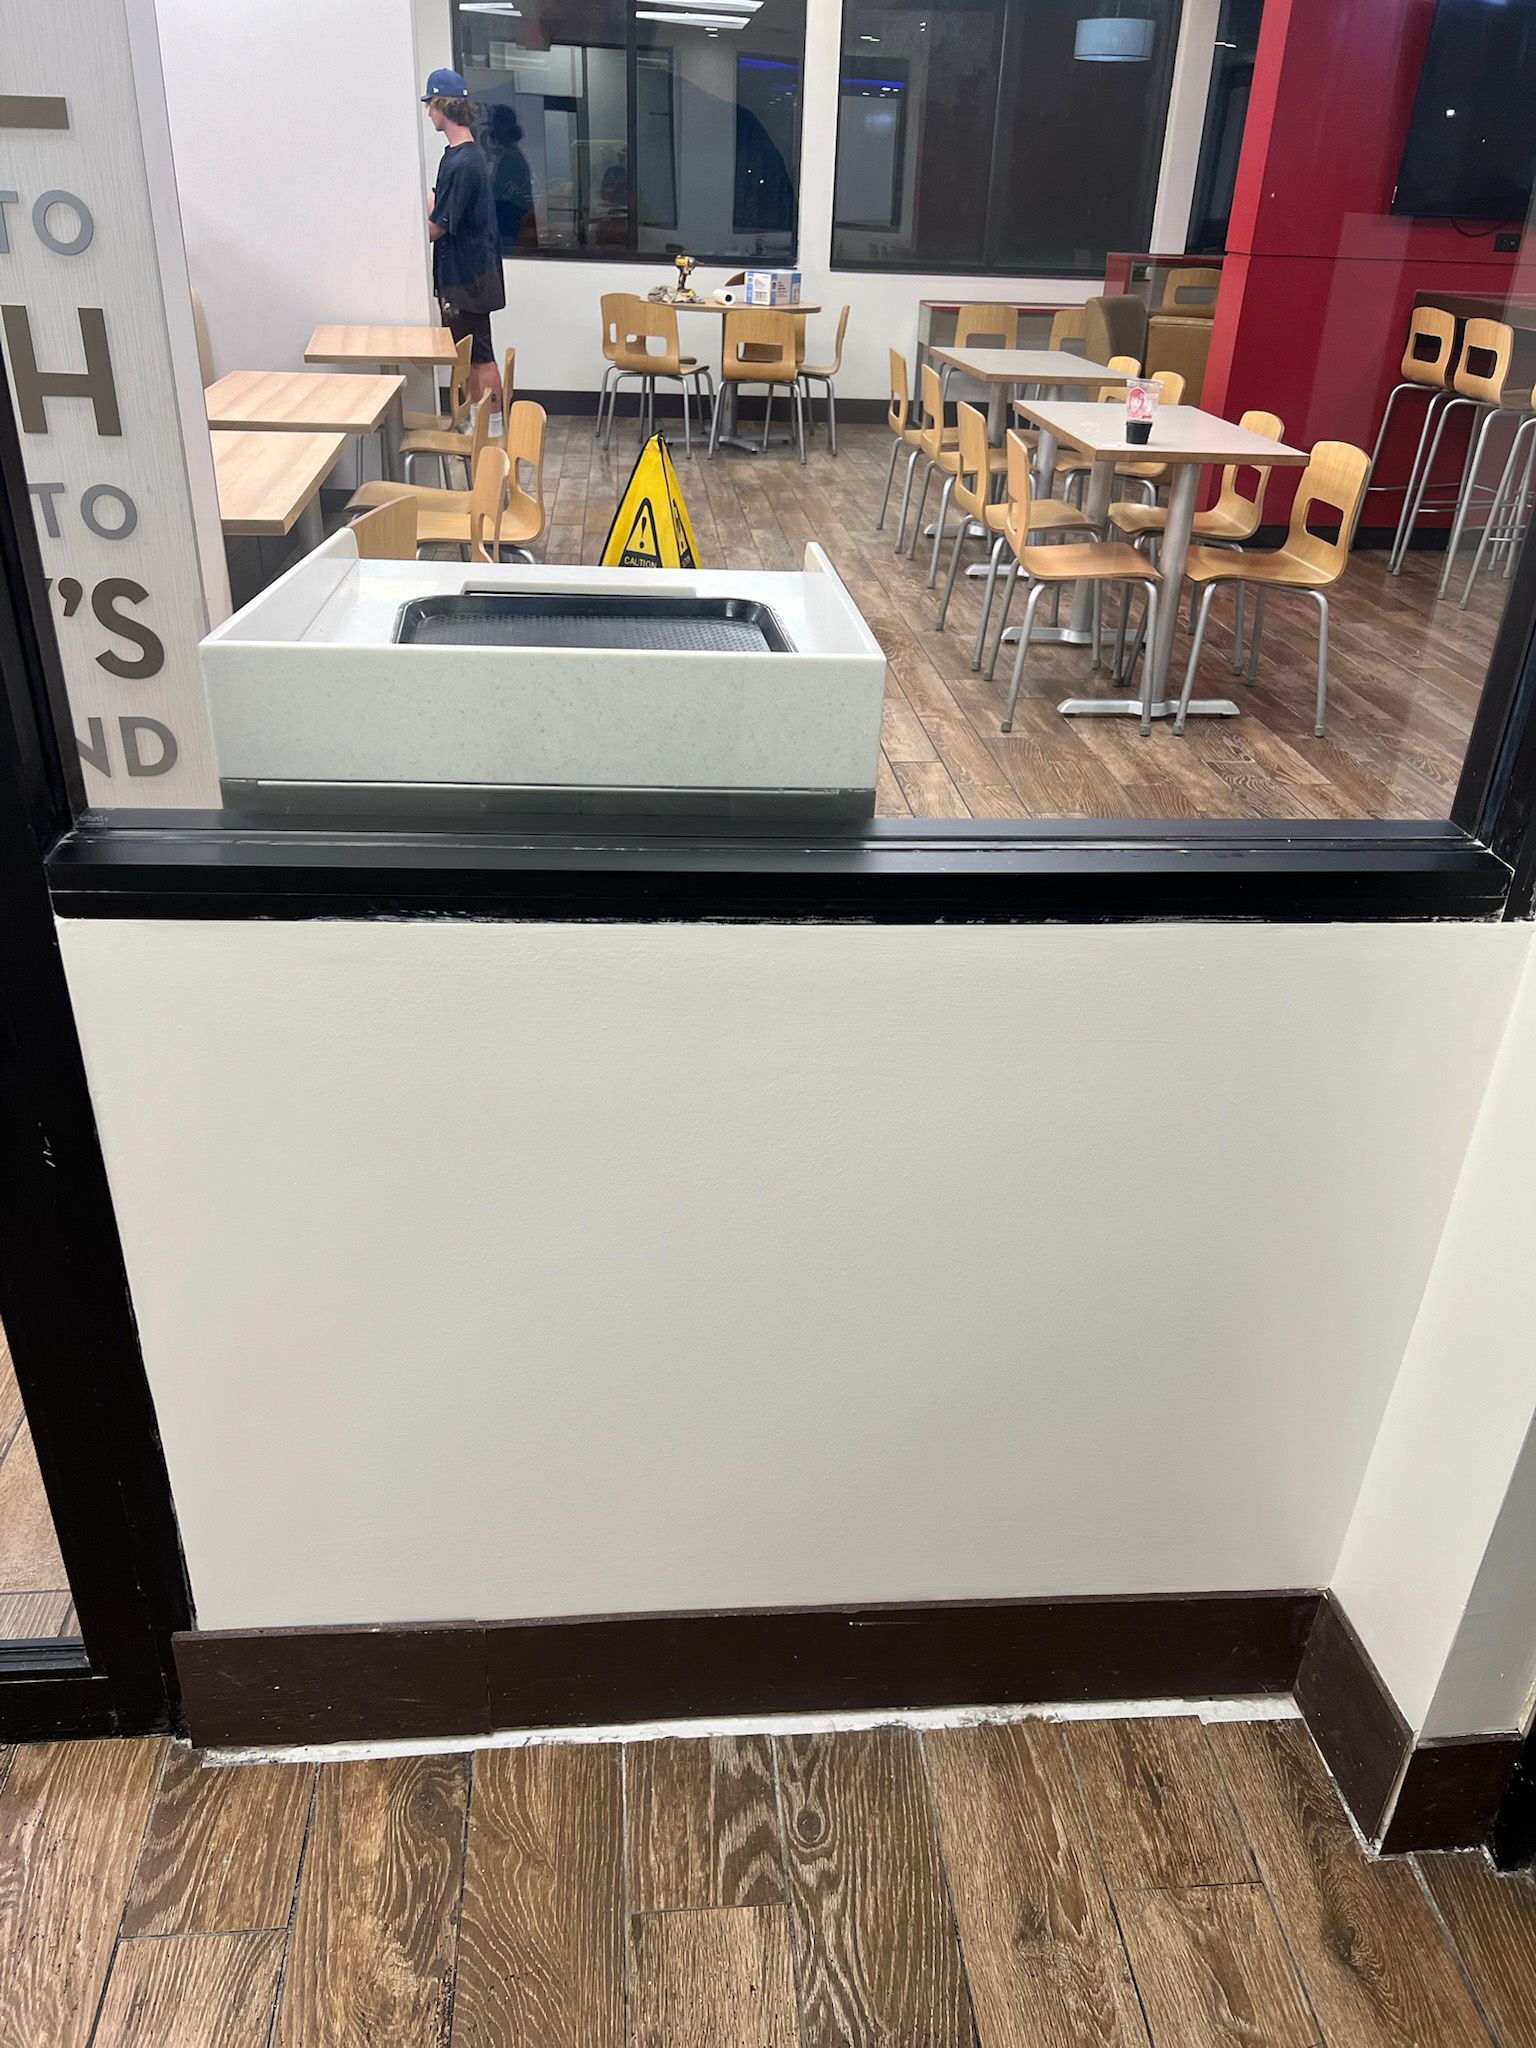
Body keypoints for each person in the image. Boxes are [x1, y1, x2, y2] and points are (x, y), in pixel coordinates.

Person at [421, 67, 506, 421]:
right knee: (468, 355)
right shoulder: (456, 157)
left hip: (469, 277)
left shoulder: (464, 163)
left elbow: (436, 228)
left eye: (430, 105)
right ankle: (479, 423)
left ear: (443, 106)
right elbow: (441, 206)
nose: (428, 113)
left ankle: (493, 428)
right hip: (465, 273)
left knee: (480, 355)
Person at [488, 103, 534, 249]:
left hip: (509, 226)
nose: (493, 130)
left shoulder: (511, 158)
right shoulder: (508, 155)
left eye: (495, 125)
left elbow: (508, 197)